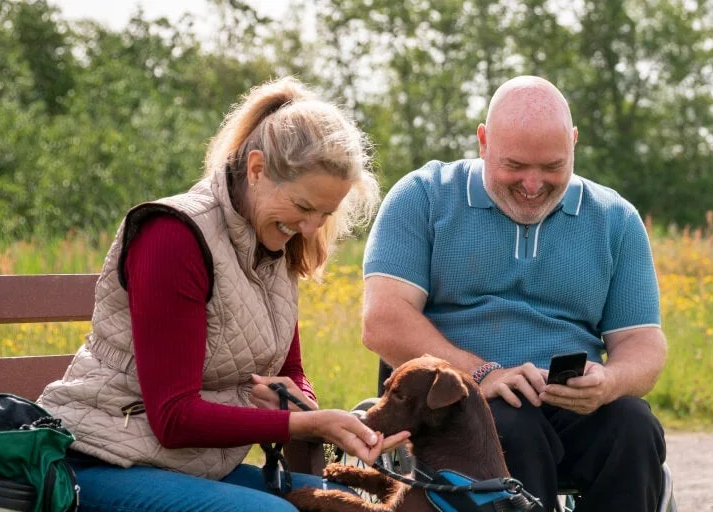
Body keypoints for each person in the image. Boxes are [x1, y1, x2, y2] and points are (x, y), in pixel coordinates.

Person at [39, 77, 408, 512]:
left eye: (325, 214)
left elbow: (290, 369)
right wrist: (306, 422)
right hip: (101, 461)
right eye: (304, 207)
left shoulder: (272, 244)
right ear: (256, 170)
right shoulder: (173, 236)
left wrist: (295, 399)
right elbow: (173, 419)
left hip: (191, 468)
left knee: (345, 504)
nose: (310, 229)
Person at [361, 75, 667, 511]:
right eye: (516, 165)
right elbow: (383, 321)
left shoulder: (616, 220)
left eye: (552, 167)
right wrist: (483, 374)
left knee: (633, 426)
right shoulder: (423, 197)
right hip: (458, 401)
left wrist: (610, 381)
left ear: (574, 144)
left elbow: (643, 343)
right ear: (483, 141)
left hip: (566, 401)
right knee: (510, 427)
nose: (532, 183)